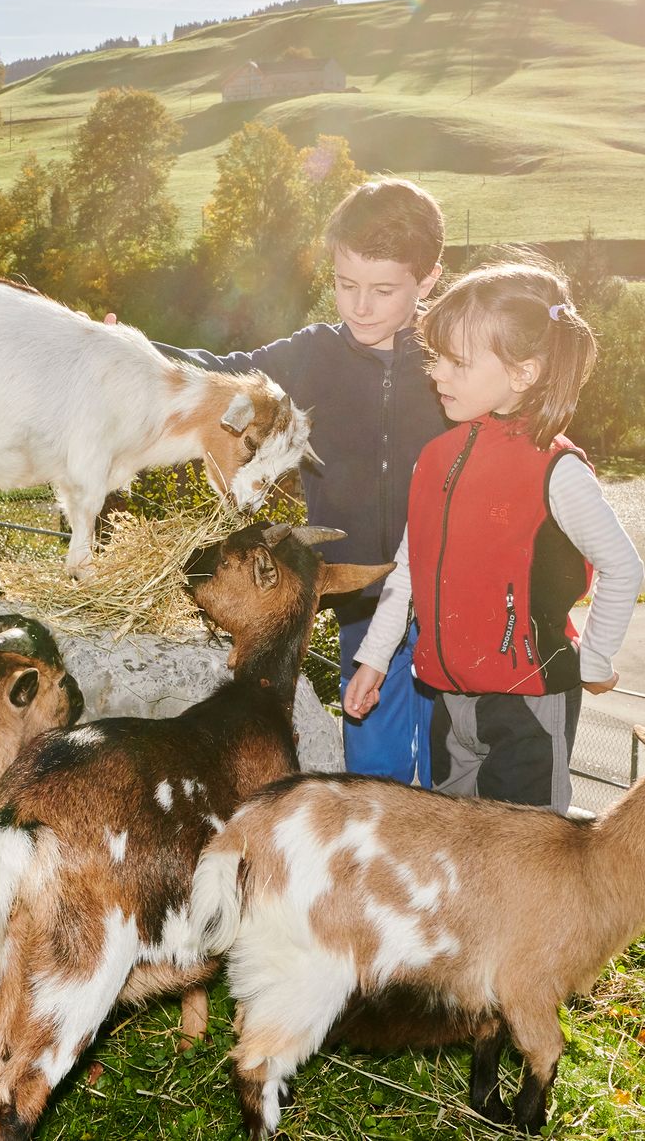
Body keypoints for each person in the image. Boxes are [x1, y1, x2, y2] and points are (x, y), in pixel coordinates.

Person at [145, 179, 448, 784]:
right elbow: (225, 373)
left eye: (383, 290)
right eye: (345, 285)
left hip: (452, 602)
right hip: (362, 600)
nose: (359, 306)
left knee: (456, 775)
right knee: (374, 780)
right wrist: (136, 357)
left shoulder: (456, 359)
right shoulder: (313, 354)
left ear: (429, 282)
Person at [348, 259, 642, 813]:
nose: (437, 374)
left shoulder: (558, 470)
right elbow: (409, 568)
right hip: (446, 700)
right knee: (452, 857)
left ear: (523, 373)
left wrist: (596, 662)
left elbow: (624, 567)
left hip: (529, 701)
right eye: (438, 359)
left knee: (526, 867)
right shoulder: (435, 458)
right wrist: (375, 658)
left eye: (458, 362)